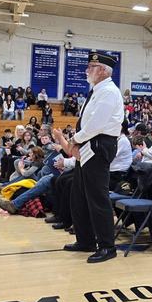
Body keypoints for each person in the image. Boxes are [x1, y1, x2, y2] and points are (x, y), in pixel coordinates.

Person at [59, 51, 124, 264]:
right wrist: (78, 141)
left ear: (104, 71)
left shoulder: (109, 92)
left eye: (92, 67)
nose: (88, 70)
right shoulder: (97, 90)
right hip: (88, 145)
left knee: (97, 198)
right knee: (79, 196)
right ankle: (85, 240)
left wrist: (75, 140)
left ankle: (107, 246)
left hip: (98, 145)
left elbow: (96, 125)